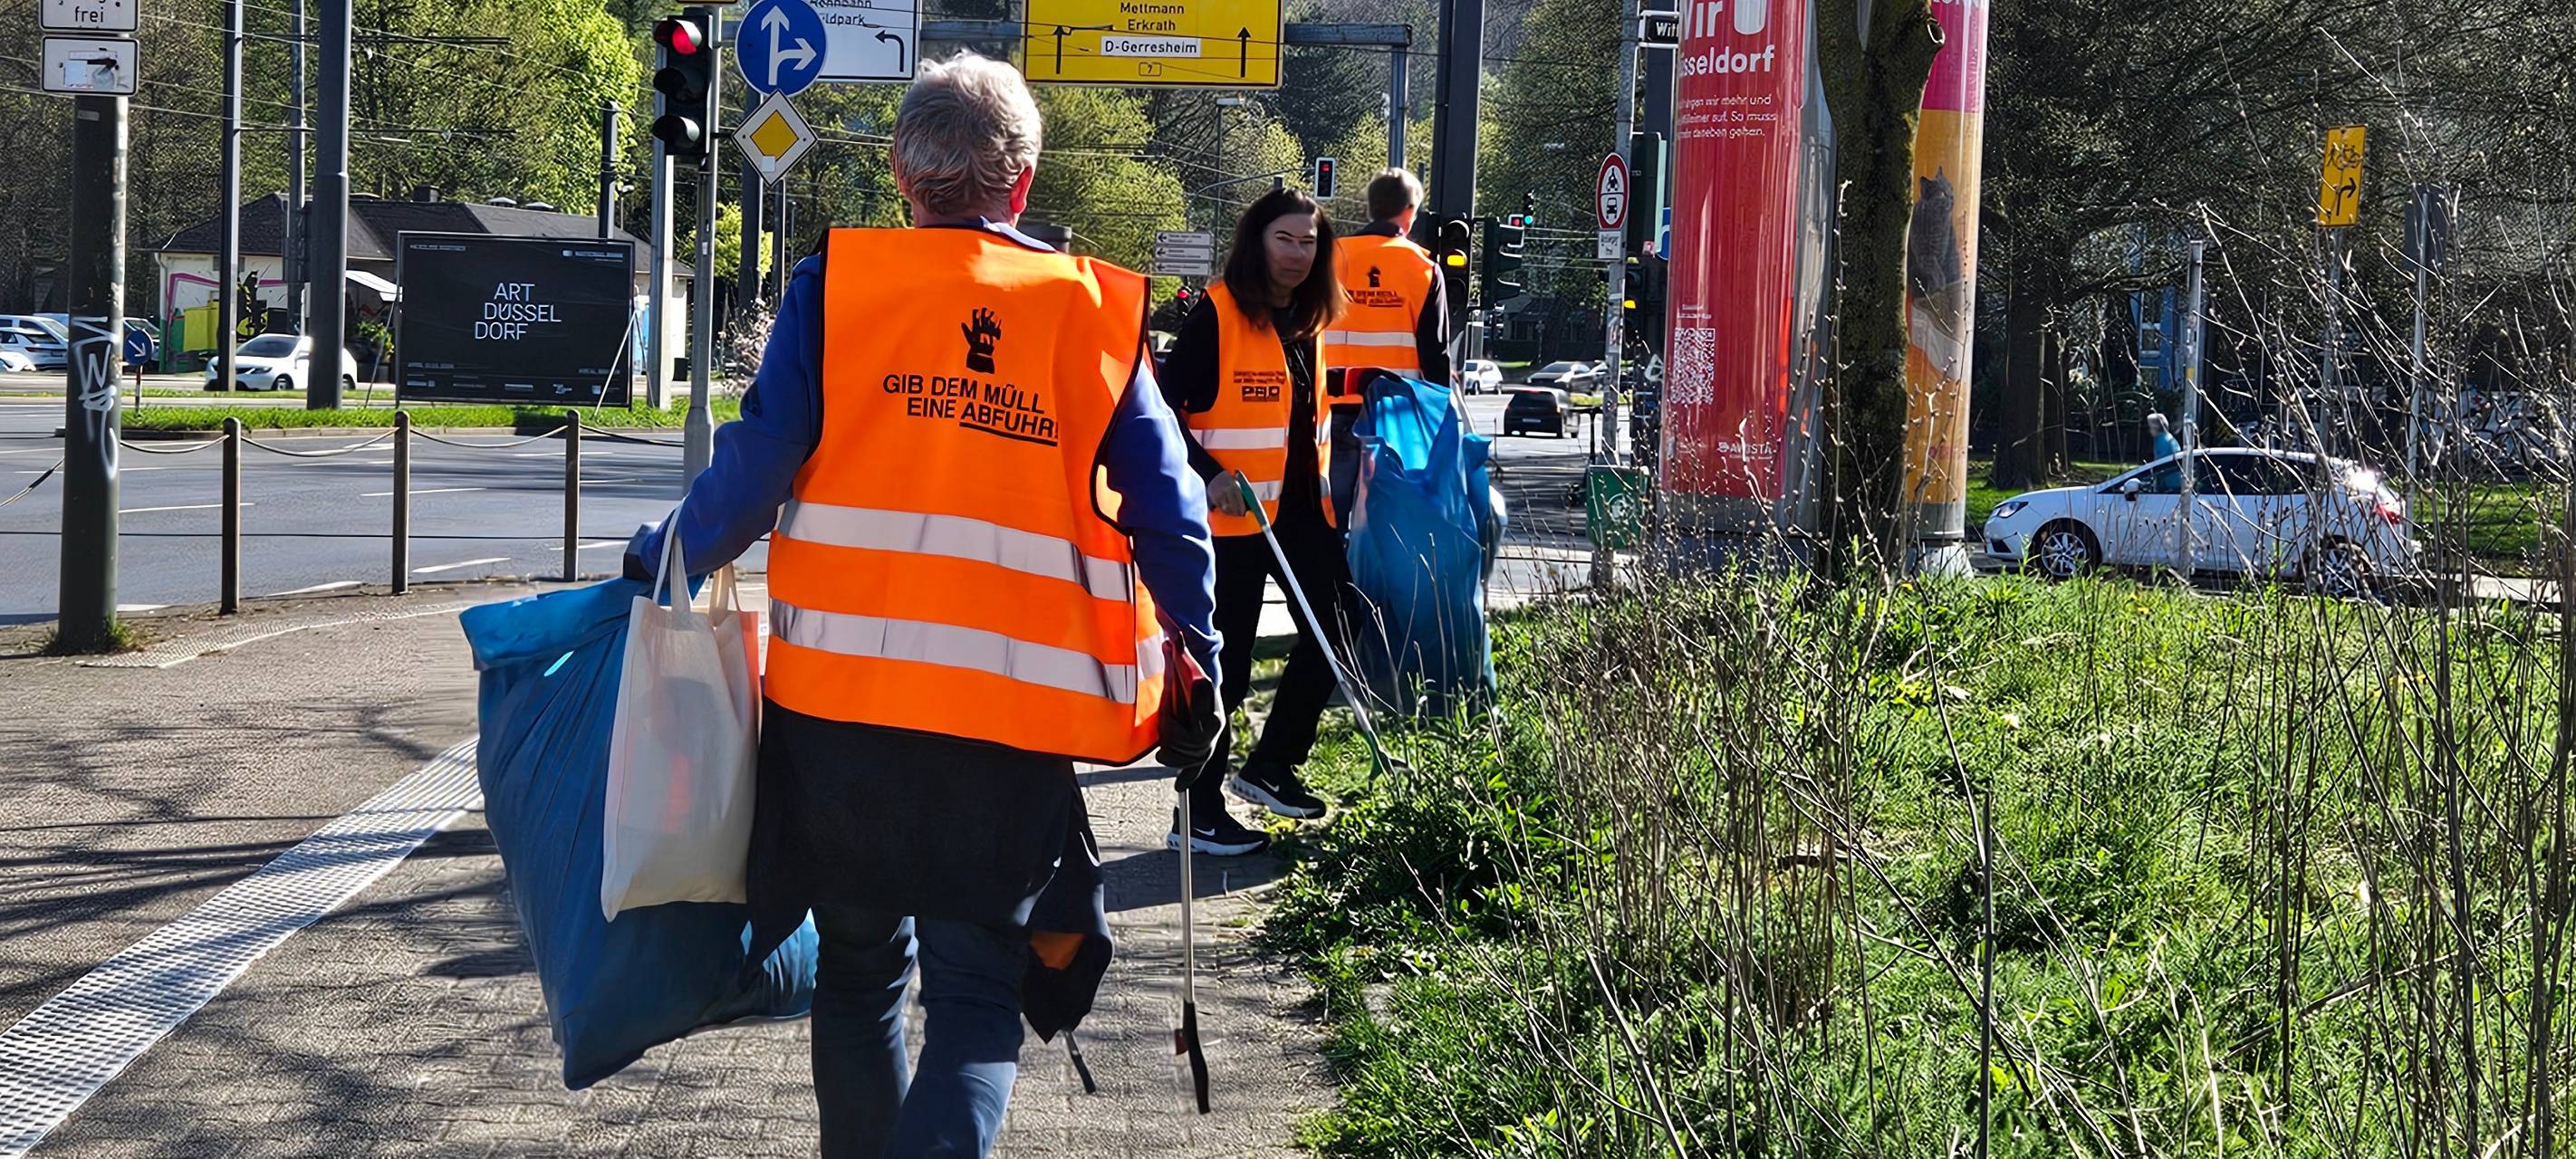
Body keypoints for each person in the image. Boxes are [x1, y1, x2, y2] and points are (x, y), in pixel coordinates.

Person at [624, 53, 1223, 1157]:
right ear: (1024, 180)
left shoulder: (840, 287)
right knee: (977, 995)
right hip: (1008, 725)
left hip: (838, 721)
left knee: (858, 976)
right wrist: (1200, 662)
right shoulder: (1087, 311)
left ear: (903, 175)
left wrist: (664, 555)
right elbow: (1171, 511)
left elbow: (755, 469)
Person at [1158, 187, 1350, 856]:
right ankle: (1197, 813)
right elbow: (1162, 410)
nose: (1297, 254)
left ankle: (1272, 766)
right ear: (1256, 242)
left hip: (1300, 513)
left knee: (1340, 625)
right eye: (1284, 239)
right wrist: (1209, 472)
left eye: (1309, 242)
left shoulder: (1311, 319)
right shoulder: (1217, 313)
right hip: (1230, 521)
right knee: (1229, 667)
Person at [1322, 168, 1450, 510]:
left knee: (1333, 511)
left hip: (1331, 406)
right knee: (1390, 514)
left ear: (1370, 209)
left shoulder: (1328, 257)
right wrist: (1440, 415)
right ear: (1410, 212)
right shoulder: (1424, 269)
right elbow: (1435, 353)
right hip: (1396, 413)